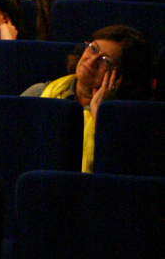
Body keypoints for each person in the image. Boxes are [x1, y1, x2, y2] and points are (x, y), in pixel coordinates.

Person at [22, 26, 152, 172]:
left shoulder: (123, 120)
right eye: (93, 49)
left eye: (106, 61)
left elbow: (116, 168)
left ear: (120, 78)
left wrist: (100, 114)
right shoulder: (39, 93)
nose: (91, 61)